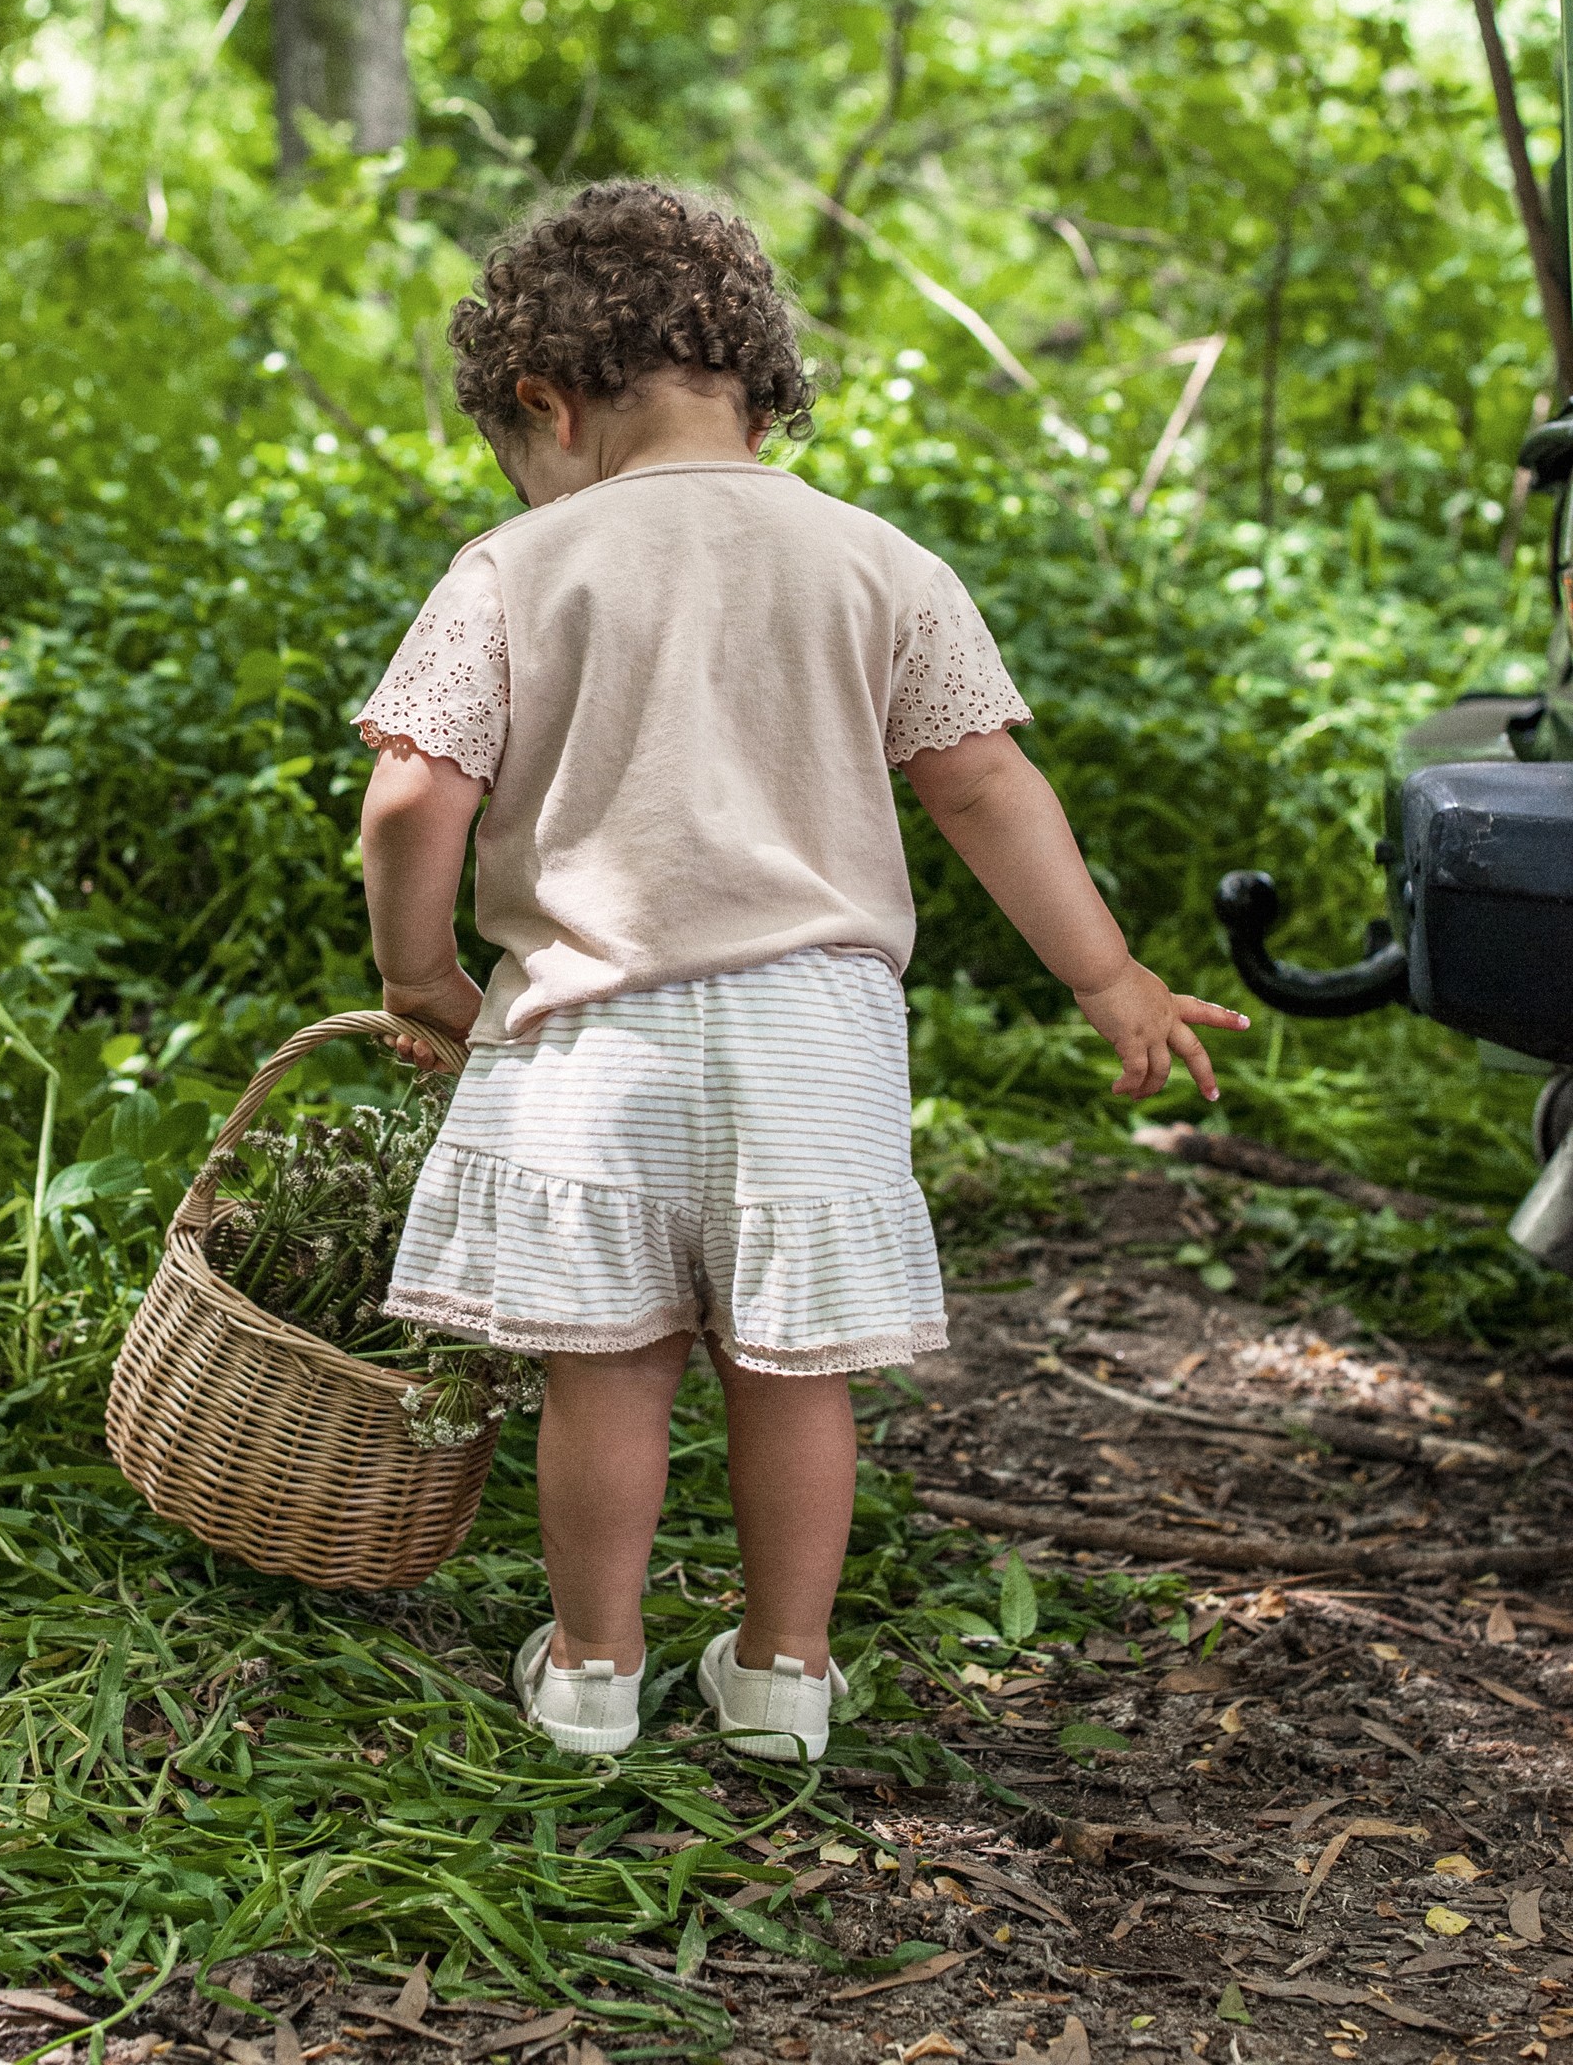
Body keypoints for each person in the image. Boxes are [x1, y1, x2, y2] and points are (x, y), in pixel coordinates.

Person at [353, 180, 1246, 1762]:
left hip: (588, 1037)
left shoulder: (515, 566)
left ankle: (589, 1675)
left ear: (544, 404)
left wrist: (421, 973)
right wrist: (1112, 977)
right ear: (765, 391)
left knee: (606, 1372)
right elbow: (984, 787)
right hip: (813, 1041)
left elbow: (416, 792)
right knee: (791, 1366)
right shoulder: (877, 562)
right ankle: (780, 1677)